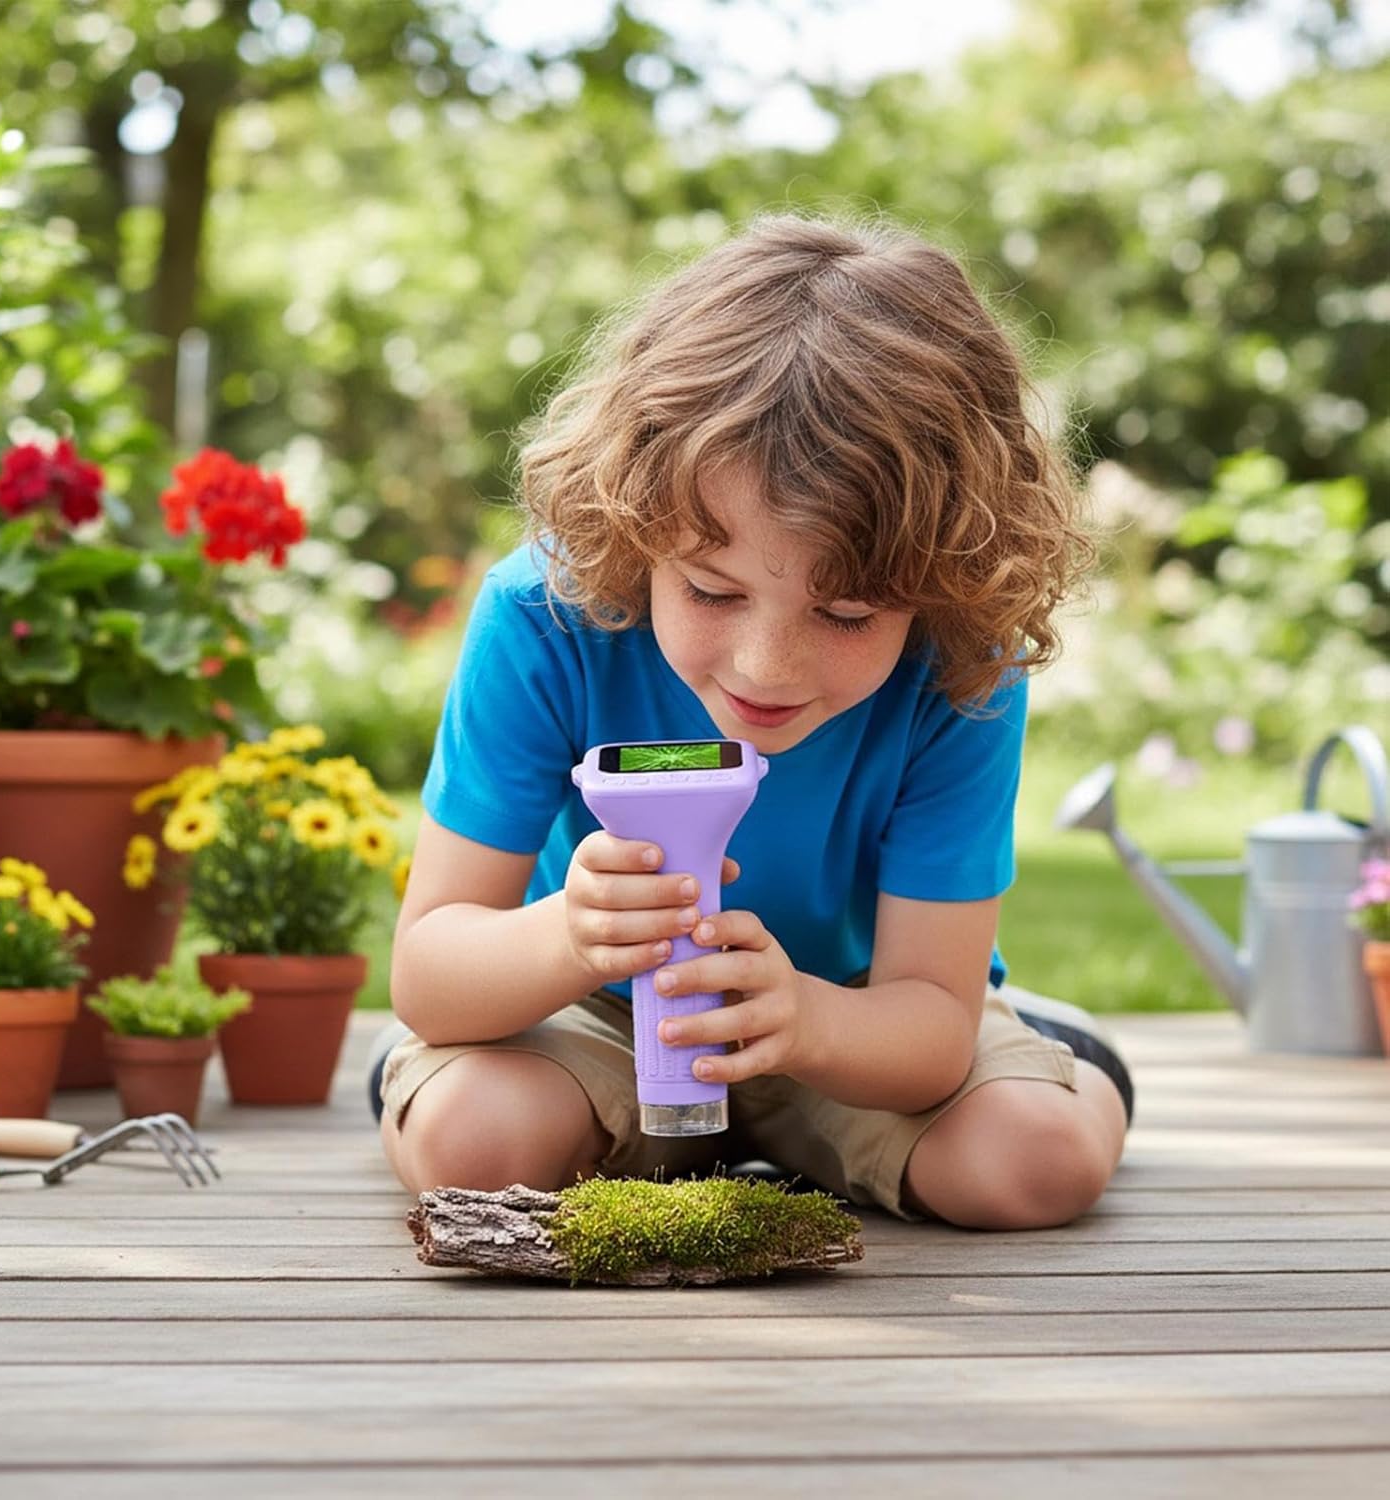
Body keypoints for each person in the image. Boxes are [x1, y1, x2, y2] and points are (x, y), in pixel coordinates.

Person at [368, 210, 1133, 1231]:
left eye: (848, 612)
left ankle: (1069, 1055)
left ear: (940, 583)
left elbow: (930, 1027)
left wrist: (806, 1018)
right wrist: (573, 937)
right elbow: (430, 969)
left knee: (1033, 1164)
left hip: (858, 1017)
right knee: (475, 1145)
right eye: (713, 592)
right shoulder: (544, 616)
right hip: (585, 1014)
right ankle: (447, 1087)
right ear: (638, 526)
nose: (767, 665)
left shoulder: (962, 659)